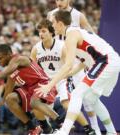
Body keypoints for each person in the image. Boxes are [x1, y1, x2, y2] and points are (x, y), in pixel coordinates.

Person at [36, 10, 120, 135]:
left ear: (60, 23)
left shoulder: (71, 35)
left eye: (53, 22)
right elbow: (82, 62)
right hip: (107, 61)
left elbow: (68, 65)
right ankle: (111, 132)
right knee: (92, 99)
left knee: (76, 94)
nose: (51, 25)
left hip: (106, 61)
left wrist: (49, 85)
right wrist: (69, 74)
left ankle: (64, 131)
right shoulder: (72, 35)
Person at [0, 44, 67, 135]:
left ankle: (61, 121)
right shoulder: (10, 69)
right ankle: (33, 127)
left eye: (1, 58)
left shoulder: (19, 59)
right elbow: (8, 87)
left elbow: (0, 75)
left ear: (9, 54)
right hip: (29, 90)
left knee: (34, 102)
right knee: (10, 98)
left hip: (43, 85)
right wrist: (3, 101)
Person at [30, 19, 96, 135]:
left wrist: (62, 77)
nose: (41, 34)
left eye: (44, 31)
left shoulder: (62, 46)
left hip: (62, 79)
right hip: (46, 82)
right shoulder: (36, 49)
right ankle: (46, 127)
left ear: (51, 32)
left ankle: (88, 129)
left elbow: (68, 66)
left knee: (66, 103)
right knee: (34, 103)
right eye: (39, 32)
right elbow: (32, 69)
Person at [47, 1, 101, 134]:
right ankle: (51, 128)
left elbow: (92, 34)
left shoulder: (78, 15)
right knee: (65, 99)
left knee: (87, 98)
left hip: (77, 60)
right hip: (60, 61)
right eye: (57, 0)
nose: (59, 2)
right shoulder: (51, 14)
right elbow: (48, 35)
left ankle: (95, 128)